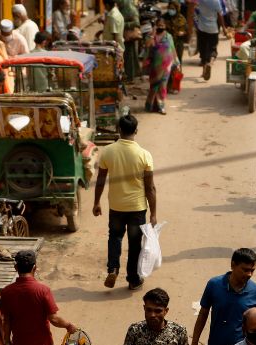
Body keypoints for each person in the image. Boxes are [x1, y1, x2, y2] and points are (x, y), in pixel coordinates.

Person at [93, 114, 156, 290]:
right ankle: (133, 279)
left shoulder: (108, 151)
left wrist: (96, 202)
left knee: (115, 237)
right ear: (136, 130)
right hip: (137, 208)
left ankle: (113, 268)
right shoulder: (144, 155)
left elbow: (100, 180)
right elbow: (150, 188)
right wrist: (154, 213)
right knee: (135, 244)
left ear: (119, 130)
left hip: (116, 206)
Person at [145, 18, 178, 114]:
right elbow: (147, 46)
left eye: (162, 25)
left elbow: (173, 49)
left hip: (166, 66)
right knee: (154, 86)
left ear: (165, 26)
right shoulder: (151, 36)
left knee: (163, 86)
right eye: (158, 25)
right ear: (155, 25)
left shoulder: (169, 36)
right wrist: (153, 34)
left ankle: (161, 106)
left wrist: (177, 62)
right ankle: (150, 105)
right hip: (155, 67)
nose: (160, 27)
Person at [190, 0, 227, 80]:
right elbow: (220, 15)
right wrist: (224, 28)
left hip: (201, 29)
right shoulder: (216, 1)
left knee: (203, 51)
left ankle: (203, 72)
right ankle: (210, 63)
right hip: (213, 29)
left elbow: (192, 10)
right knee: (213, 50)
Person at [117, 0, 141, 82]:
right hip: (124, 36)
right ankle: (131, 75)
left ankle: (130, 76)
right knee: (128, 56)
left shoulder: (130, 10)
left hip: (129, 36)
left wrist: (123, 24)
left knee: (129, 56)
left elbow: (136, 23)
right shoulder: (122, 8)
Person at [164, 1, 188, 65]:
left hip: (178, 42)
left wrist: (182, 32)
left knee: (178, 60)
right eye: (169, 8)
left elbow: (185, 29)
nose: (170, 10)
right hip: (167, 43)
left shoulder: (181, 18)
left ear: (177, 9)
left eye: (173, 9)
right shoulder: (164, 17)